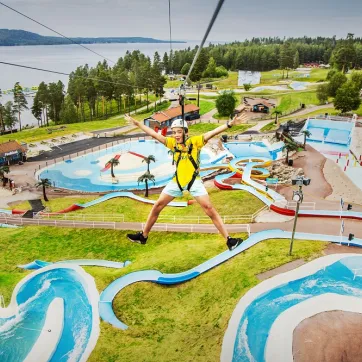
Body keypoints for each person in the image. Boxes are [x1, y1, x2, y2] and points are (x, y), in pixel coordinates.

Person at [125, 113, 247, 251]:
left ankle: (229, 240)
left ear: (185, 132)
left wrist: (230, 124)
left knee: (209, 209)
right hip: (177, 181)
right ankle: (143, 236)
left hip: (194, 181)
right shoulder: (172, 143)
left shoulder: (195, 142)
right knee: (157, 205)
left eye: (179, 132)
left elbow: (212, 133)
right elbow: (154, 135)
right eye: (174, 132)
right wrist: (138, 124)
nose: (176, 135)